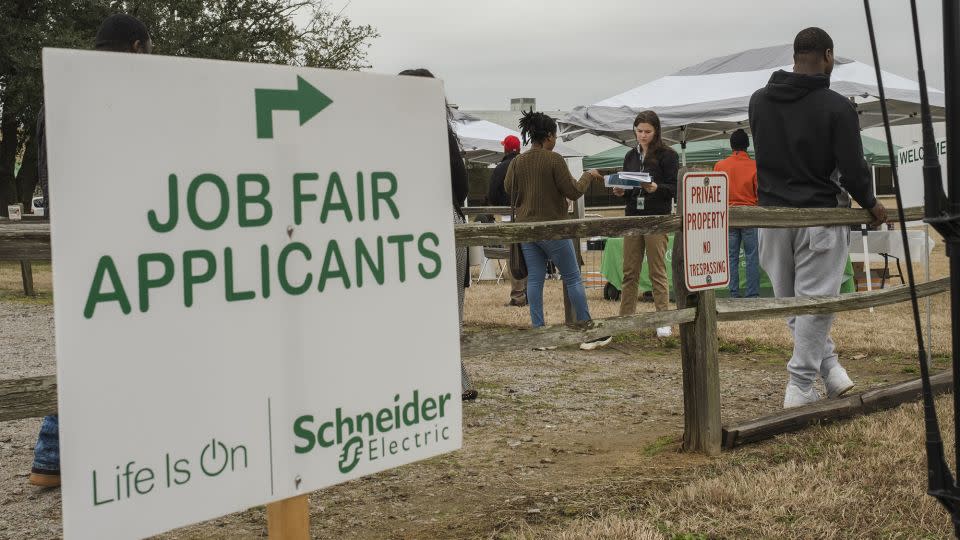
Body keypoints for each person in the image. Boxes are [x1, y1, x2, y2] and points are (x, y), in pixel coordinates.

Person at [29, 13, 154, 489]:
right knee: (111, 348)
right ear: (137, 46)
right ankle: (58, 456)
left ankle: (55, 459)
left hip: (75, 235)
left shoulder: (62, 88)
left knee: (89, 346)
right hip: (115, 238)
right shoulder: (116, 91)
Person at [749, 27, 887, 408]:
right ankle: (799, 386)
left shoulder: (759, 101)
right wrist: (871, 203)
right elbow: (854, 170)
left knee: (794, 303)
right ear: (828, 56)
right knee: (816, 303)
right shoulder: (837, 106)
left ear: (794, 56)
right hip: (820, 213)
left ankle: (830, 369)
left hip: (772, 217)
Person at [397, 68, 477, 401]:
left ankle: (424, 379)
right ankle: (454, 380)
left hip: (412, 225)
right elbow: (461, 186)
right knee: (449, 309)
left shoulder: (395, 134)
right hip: (449, 222)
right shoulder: (444, 135)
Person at [503, 111, 608, 350]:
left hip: (528, 230)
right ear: (549, 136)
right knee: (572, 277)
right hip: (553, 229)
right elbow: (573, 191)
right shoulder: (554, 159)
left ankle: (540, 334)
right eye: (555, 136)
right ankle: (588, 332)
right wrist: (588, 176)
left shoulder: (518, 161)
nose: (556, 140)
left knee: (536, 279)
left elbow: (509, 187)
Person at [611, 110, 678, 338]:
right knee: (630, 270)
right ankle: (625, 318)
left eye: (647, 132)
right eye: (639, 131)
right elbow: (628, 185)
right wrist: (621, 191)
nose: (642, 135)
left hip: (656, 216)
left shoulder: (668, 155)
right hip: (633, 215)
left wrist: (656, 188)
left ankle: (663, 319)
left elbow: (675, 188)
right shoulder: (631, 155)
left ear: (656, 131)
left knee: (657, 270)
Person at [714, 129, 759, 298]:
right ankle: (752, 295)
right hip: (750, 214)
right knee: (752, 256)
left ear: (731, 145)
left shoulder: (720, 165)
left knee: (731, 256)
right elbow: (759, 192)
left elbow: (715, 193)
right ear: (747, 146)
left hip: (728, 215)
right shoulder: (755, 165)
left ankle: (733, 293)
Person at [487, 134, 526, 307]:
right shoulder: (527, 165)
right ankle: (531, 294)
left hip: (508, 216)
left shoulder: (500, 168)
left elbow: (493, 196)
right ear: (519, 149)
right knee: (530, 255)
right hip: (528, 215)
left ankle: (518, 296)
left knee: (513, 258)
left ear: (505, 149)